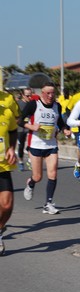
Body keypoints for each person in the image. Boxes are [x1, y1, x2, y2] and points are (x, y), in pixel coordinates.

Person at [20, 82, 71, 214]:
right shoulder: (33, 105)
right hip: (36, 144)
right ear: (42, 93)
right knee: (38, 177)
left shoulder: (57, 106)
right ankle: (31, 183)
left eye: (53, 93)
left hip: (51, 145)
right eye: (48, 93)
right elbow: (19, 120)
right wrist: (31, 126)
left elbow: (60, 123)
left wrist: (65, 129)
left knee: (53, 173)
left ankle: (48, 203)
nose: (50, 95)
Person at [0, 98, 17, 254]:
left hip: (2, 166)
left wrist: (11, 148)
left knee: (7, 205)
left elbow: (13, 131)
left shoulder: (6, 112)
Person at [16, 88, 33, 170]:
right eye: (27, 95)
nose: (29, 97)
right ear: (23, 95)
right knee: (21, 145)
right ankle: (21, 161)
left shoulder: (33, 103)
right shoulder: (18, 104)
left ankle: (30, 161)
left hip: (30, 127)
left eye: (30, 95)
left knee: (31, 144)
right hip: (20, 128)